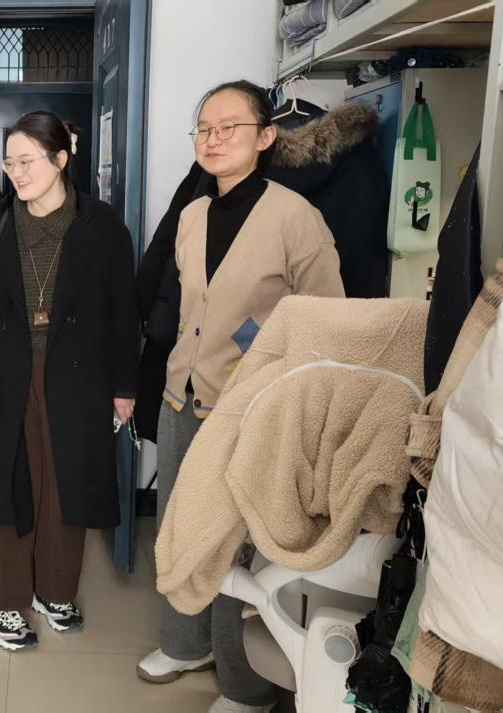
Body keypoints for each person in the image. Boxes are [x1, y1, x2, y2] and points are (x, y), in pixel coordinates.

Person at [136, 81, 343, 713]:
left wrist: (265, 364)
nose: (214, 138)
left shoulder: (296, 218)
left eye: (230, 127)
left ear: (265, 136)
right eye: (204, 128)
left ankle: (244, 684)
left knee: (232, 543)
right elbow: (189, 305)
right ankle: (184, 643)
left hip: (250, 406)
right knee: (179, 526)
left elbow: (324, 319)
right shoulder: (193, 214)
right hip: (181, 395)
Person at [0, 111, 139, 651]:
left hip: (79, 372)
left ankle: (54, 589)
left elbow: (124, 312)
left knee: (66, 481)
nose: (16, 173)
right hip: (6, 369)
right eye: (9, 162)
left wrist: (124, 385)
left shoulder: (102, 226)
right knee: (10, 481)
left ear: (61, 158)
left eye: (27, 161)